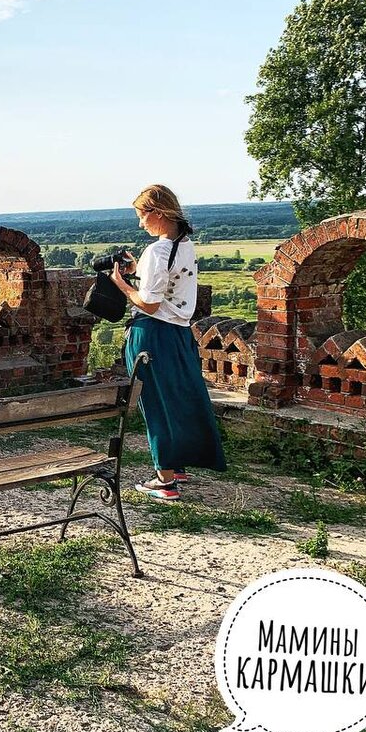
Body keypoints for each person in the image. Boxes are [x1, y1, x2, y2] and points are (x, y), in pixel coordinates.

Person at [110, 184, 226, 501]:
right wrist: (139, 271)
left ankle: (165, 480)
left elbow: (147, 303)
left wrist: (121, 283)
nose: (140, 224)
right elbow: (168, 281)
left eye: (141, 216)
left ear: (158, 213)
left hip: (152, 333)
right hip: (178, 333)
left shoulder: (157, 251)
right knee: (180, 399)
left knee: (156, 405)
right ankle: (178, 467)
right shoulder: (184, 245)